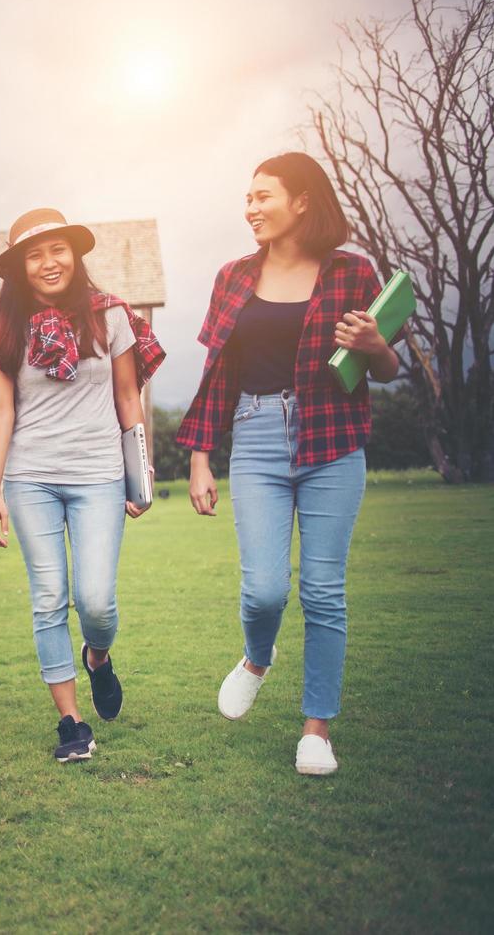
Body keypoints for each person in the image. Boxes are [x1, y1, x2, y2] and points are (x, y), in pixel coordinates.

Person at [177, 152, 399, 776]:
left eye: (263, 196)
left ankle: (316, 730)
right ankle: (256, 657)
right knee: (265, 588)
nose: (250, 207)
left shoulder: (354, 273)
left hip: (333, 439)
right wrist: (200, 457)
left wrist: (375, 345)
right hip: (254, 437)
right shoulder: (233, 277)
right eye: (247, 198)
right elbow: (217, 373)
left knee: (325, 592)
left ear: (302, 201)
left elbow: (384, 369)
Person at [0, 208, 164, 763]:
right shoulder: (3, 329)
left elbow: (129, 398)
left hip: (99, 475)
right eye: (34, 254)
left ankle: (98, 657)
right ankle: (71, 723)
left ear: (75, 254)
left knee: (96, 601)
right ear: (20, 267)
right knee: (50, 598)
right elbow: (1, 412)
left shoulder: (111, 316)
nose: (48, 262)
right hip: (30, 477)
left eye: (57, 249)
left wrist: (140, 473)